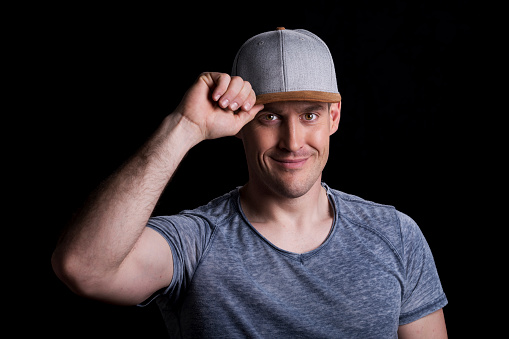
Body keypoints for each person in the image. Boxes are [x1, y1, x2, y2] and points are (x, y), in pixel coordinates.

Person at [52, 28, 448, 338]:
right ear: (240, 124)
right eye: (270, 117)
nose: (293, 142)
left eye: (309, 115)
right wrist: (185, 127)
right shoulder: (196, 241)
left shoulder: (396, 235)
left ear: (334, 117)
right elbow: (84, 269)